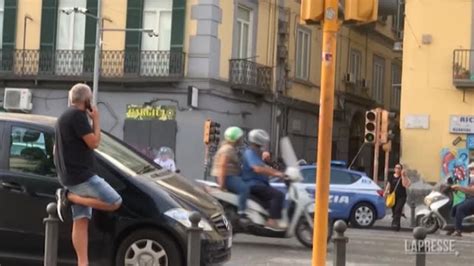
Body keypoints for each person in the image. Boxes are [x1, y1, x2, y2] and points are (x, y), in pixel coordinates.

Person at [54, 83, 122, 266]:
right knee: (114, 201)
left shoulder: (63, 117)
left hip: (69, 176)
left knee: (81, 220)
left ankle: (82, 263)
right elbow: (94, 143)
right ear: (87, 101)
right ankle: (70, 198)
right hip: (81, 177)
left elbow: (56, 149)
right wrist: (97, 120)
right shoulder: (77, 116)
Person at [242, 129, 286, 230]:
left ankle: (265, 219)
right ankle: (271, 221)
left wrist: (273, 168)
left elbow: (264, 167)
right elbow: (257, 168)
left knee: (270, 200)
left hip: (259, 183)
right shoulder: (250, 152)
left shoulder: (256, 153)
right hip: (253, 184)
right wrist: (278, 174)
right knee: (278, 195)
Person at [211, 126, 249, 219]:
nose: (241, 139)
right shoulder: (227, 149)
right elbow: (222, 166)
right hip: (227, 177)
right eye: (240, 137)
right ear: (235, 139)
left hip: (230, 176)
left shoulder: (230, 148)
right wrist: (222, 184)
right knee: (245, 188)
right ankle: (241, 212)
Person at [384, 163, 411, 231]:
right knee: (395, 211)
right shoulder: (391, 176)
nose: (397, 169)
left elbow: (405, 185)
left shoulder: (403, 176)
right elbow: (389, 184)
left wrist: (403, 176)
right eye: (396, 168)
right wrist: (385, 192)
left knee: (398, 209)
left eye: (399, 168)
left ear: (401, 169)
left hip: (401, 197)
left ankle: (394, 224)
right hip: (393, 197)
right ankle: (397, 226)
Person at [450, 162, 474, 237]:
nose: (471, 171)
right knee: (455, 208)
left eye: (472, 169)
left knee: (460, 208)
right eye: (470, 169)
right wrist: (458, 188)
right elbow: (468, 190)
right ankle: (453, 227)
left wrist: (459, 187)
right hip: (471, 199)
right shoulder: (472, 180)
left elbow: (471, 190)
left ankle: (458, 231)